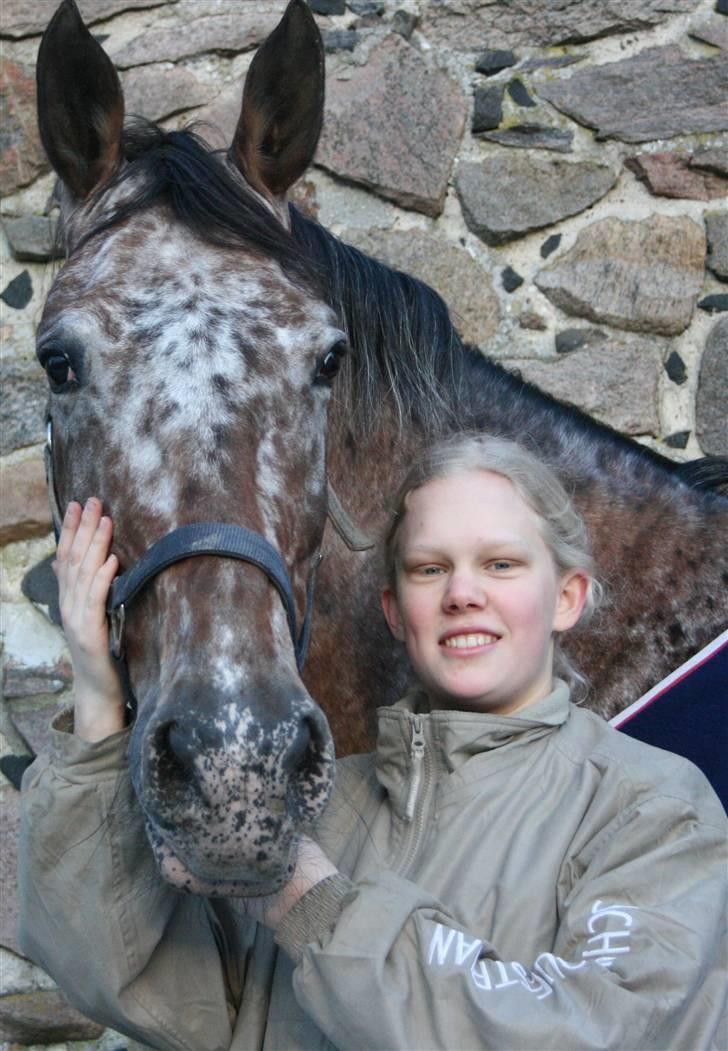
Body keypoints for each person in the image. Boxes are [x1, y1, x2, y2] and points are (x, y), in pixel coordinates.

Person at [18, 435, 727, 1051]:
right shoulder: (313, 804)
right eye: (429, 568)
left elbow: (590, 1033)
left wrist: (314, 904)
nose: (462, 593)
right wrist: (98, 690)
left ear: (568, 596)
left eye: (502, 564)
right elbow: (117, 972)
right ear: (395, 609)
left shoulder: (654, 808)